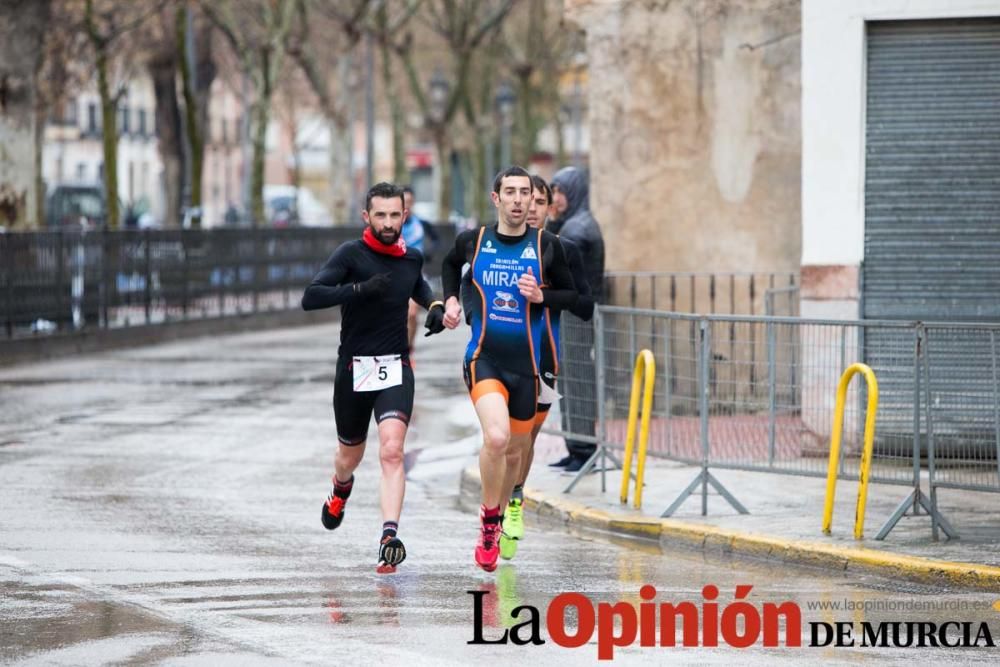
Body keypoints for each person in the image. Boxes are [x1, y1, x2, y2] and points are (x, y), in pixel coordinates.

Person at [302, 182, 446, 574]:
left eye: (394, 215)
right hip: (354, 369)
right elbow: (311, 296)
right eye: (380, 215)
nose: (387, 223)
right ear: (367, 217)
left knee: (392, 450)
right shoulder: (351, 254)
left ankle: (388, 537)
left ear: (405, 216)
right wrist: (359, 289)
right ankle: (340, 487)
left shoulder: (410, 258)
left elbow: (420, 288)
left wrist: (433, 307)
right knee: (350, 456)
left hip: (395, 366)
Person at [440, 166, 578, 572]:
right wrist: (450, 301)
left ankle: (503, 510)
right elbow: (450, 266)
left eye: (525, 193)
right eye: (510, 192)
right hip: (485, 358)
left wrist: (543, 294)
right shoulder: (475, 241)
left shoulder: (547, 245)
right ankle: (488, 523)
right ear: (495, 198)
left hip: (527, 367)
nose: (519, 200)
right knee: (496, 439)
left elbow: (572, 295)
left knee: (516, 454)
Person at [498, 174, 594, 561]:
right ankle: (495, 513)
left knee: (524, 443)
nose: (531, 208)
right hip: (500, 356)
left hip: (544, 361)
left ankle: (513, 503)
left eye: (539, 201)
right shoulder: (498, 245)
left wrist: (545, 296)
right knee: (499, 439)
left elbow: (585, 305)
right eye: (526, 199)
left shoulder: (561, 249)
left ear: (549, 207)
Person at [546, 166, 605, 473]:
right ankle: (575, 446)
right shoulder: (571, 225)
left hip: (577, 317)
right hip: (572, 316)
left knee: (578, 381)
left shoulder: (577, 229)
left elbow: (554, 266)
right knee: (569, 380)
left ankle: (583, 449)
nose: (555, 198)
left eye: (560, 192)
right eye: (553, 192)